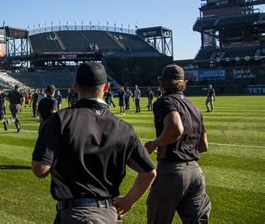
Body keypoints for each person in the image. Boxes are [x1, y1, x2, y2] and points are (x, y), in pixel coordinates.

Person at [32, 62, 156, 223]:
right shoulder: (124, 128)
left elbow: (40, 169)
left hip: (75, 214)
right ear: (106, 88)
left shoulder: (59, 120)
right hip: (109, 215)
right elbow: (149, 173)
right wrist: (128, 201)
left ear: (76, 87)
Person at [144, 64, 210, 223]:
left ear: (162, 82)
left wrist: (155, 143)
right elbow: (203, 146)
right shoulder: (194, 107)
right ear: (183, 82)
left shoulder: (164, 102)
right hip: (195, 172)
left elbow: (175, 129)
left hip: (172, 170)